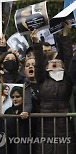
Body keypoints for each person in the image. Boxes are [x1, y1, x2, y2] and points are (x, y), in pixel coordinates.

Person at [31, 21, 76, 154]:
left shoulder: (67, 78)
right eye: (51, 62)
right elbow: (39, 62)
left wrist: (65, 34)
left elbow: (68, 57)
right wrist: (36, 43)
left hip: (65, 122)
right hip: (45, 123)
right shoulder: (42, 78)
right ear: (46, 67)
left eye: (57, 61)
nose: (54, 62)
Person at [5, 86, 29, 154]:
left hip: (24, 142)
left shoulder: (27, 111)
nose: (15, 99)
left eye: (18, 96)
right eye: (12, 97)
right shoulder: (8, 111)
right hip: (10, 143)